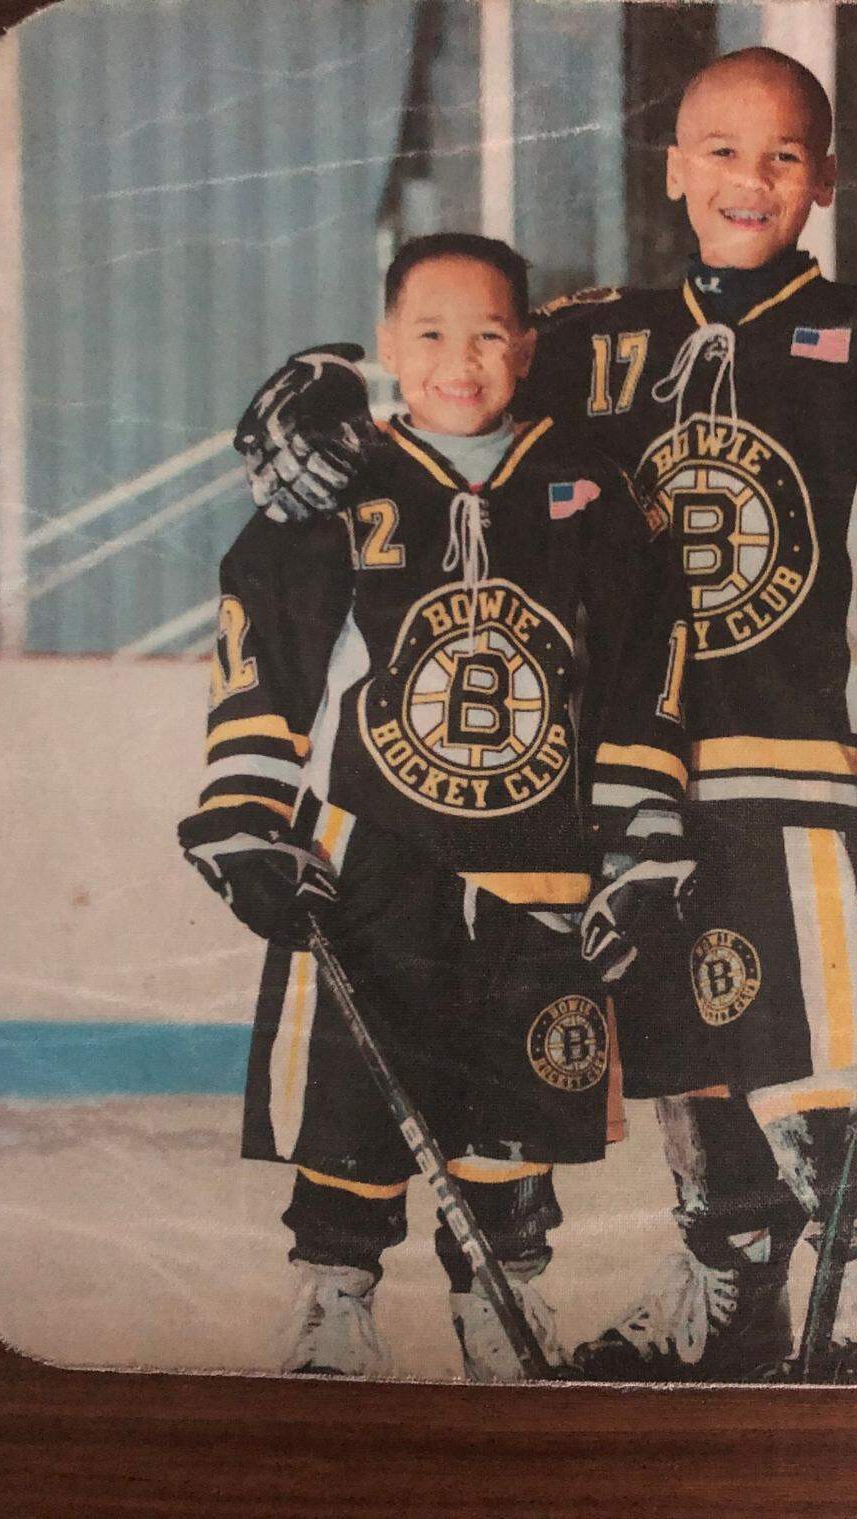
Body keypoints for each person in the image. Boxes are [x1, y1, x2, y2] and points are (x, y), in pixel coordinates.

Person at [229, 48, 857, 1383]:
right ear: (672, 164)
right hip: (614, 780)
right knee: (678, 1035)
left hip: (786, 758)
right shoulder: (587, 336)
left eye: (781, 155)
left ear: (824, 176)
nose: (747, 181)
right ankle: (732, 1279)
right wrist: (321, 381)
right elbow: (455, 358)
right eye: (719, 149)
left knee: (806, 1040)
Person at [178, 232, 692, 1382]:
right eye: (428, 335)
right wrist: (247, 809)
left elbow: (640, 671)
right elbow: (266, 646)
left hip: (542, 865)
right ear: (389, 348)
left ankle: (502, 1304)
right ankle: (332, 1300)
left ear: (530, 345)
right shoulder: (342, 484)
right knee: (356, 1101)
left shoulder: (596, 491)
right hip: (378, 862)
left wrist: (642, 840)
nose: (460, 361)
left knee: (514, 1116)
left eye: (489, 334)